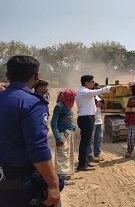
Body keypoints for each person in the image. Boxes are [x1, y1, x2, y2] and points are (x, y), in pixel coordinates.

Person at [0, 55, 61, 206]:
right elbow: (37, 148)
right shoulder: (33, 104)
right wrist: (53, 184)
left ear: (7, 76)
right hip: (18, 182)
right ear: (36, 76)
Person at [75, 75, 128, 171]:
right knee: (85, 142)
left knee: (86, 142)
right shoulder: (85, 92)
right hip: (86, 118)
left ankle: (84, 162)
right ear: (86, 83)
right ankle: (82, 164)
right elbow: (103, 90)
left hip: (87, 117)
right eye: (92, 81)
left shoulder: (83, 92)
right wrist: (120, 86)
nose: (93, 83)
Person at [50, 89, 77, 181]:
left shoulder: (68, 106)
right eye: (73, 96)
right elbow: (54, 123)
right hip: (62, 134)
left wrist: (72, 128)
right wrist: (58, 137)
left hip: (68, 133)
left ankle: (66, 174)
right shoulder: (59, 106)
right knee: (62, 155)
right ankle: (61, 178)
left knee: (68, 155)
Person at [87, 83, 106, 163]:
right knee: (90, 139)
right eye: (96, 89)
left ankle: (97, 155)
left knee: (99, 139)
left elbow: (104, 108)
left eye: (99, 89)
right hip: (91, 121)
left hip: (99, 121)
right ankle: (89, 156)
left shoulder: (100, 97)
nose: (98, 90)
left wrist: (103, 100)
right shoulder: (89, 97)